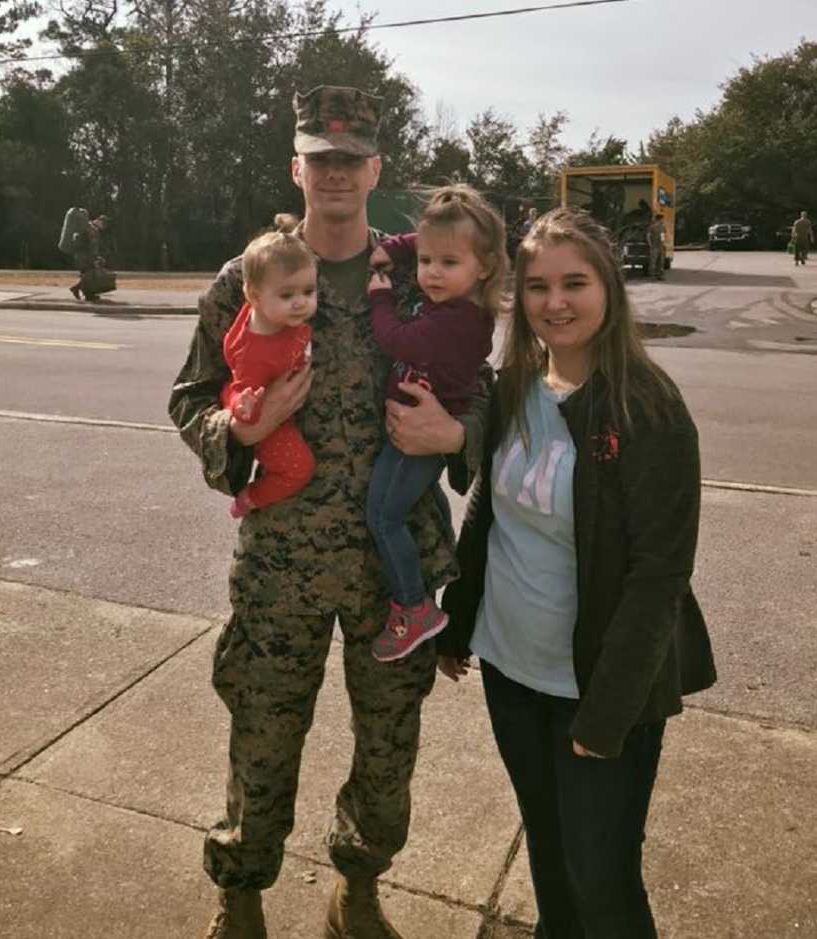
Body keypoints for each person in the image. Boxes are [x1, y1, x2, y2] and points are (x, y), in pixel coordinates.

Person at [168, 85, 490, 939]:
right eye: (321, 158)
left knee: (388, 748)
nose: (337, 172)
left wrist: (457, 431)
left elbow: (485, 389)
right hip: (283, 561)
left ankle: (359, 882)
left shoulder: (421, 274)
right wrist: (243, 428)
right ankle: (240, 892)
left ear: (376, 168)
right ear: (296, 167)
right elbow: (190, 397)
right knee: (263, 735)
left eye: (353, 159)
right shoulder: (250, 277)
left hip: (399, 567)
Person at [437, 207, 716, 939]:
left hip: (596, 687)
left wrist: (607, 711)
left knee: (603, 879)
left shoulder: (648, 407)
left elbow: (659, 574)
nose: (554, 302)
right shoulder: (512, 388)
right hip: (512, 671)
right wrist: (456, 621)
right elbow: (485, 515)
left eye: (574, 282)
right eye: (536, 286)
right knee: (552, 857)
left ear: (609, 289)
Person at [365, 185, 507, 662]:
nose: (431, 273)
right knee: (388, 511)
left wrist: (380, 298)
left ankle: (413, 605)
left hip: (417, 440)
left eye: (448, 263)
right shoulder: (450, 299)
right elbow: (422, 240)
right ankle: (412, 601)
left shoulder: (460, 320)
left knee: (384, 517)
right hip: (407, 432)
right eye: (426, 261)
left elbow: (396, 340)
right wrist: (397, 247)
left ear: (483, 267)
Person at [220, 216, 317, 519]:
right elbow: (238, 390)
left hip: (284, 401)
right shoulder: (255, 352)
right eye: (287, 295)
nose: (301, 303)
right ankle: (249, 499)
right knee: (299, 468)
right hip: (267, 417)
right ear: (254, 297)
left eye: (308, 292)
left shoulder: (279, 317)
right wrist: (245, 408)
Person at [70, 214, 110, 301]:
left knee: (87, 274)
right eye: (103, 224)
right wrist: (96, 258)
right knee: (90, 275)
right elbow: (92, 246)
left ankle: (87, 295)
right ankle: (77, 289)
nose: (103, 227)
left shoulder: (88, 226)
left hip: (81, 255)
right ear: (99, 221)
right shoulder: (92, 229)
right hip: (85, 256)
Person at [648, 211, 666, 279]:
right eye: (662, 219)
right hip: (654, 246)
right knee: (653, 261)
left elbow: (662, 236)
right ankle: (653, 275)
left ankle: (660, 275)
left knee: (661, 262)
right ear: (659, 219)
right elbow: (648, 236)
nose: (663, 220)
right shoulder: (652, 227)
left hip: (660, 246)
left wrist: (663, 244)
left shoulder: (662, 227)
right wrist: (650, 244)